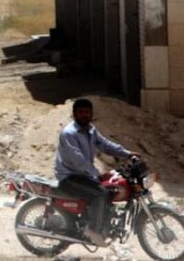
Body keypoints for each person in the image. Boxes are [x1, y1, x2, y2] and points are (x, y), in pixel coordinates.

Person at [54, 98, 137, 247]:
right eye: (81, 113)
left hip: (84, 175)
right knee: (101, 194)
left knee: (111, 189)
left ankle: (102, 224)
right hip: (70, 177)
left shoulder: (91, 130)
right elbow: (78, 160)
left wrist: (127, 154)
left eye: (87, 112)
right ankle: (93, 231)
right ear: (74, 114)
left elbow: (105, 145)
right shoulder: (69, 133)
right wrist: (97, 174)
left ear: (92, 114)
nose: (84, 115)